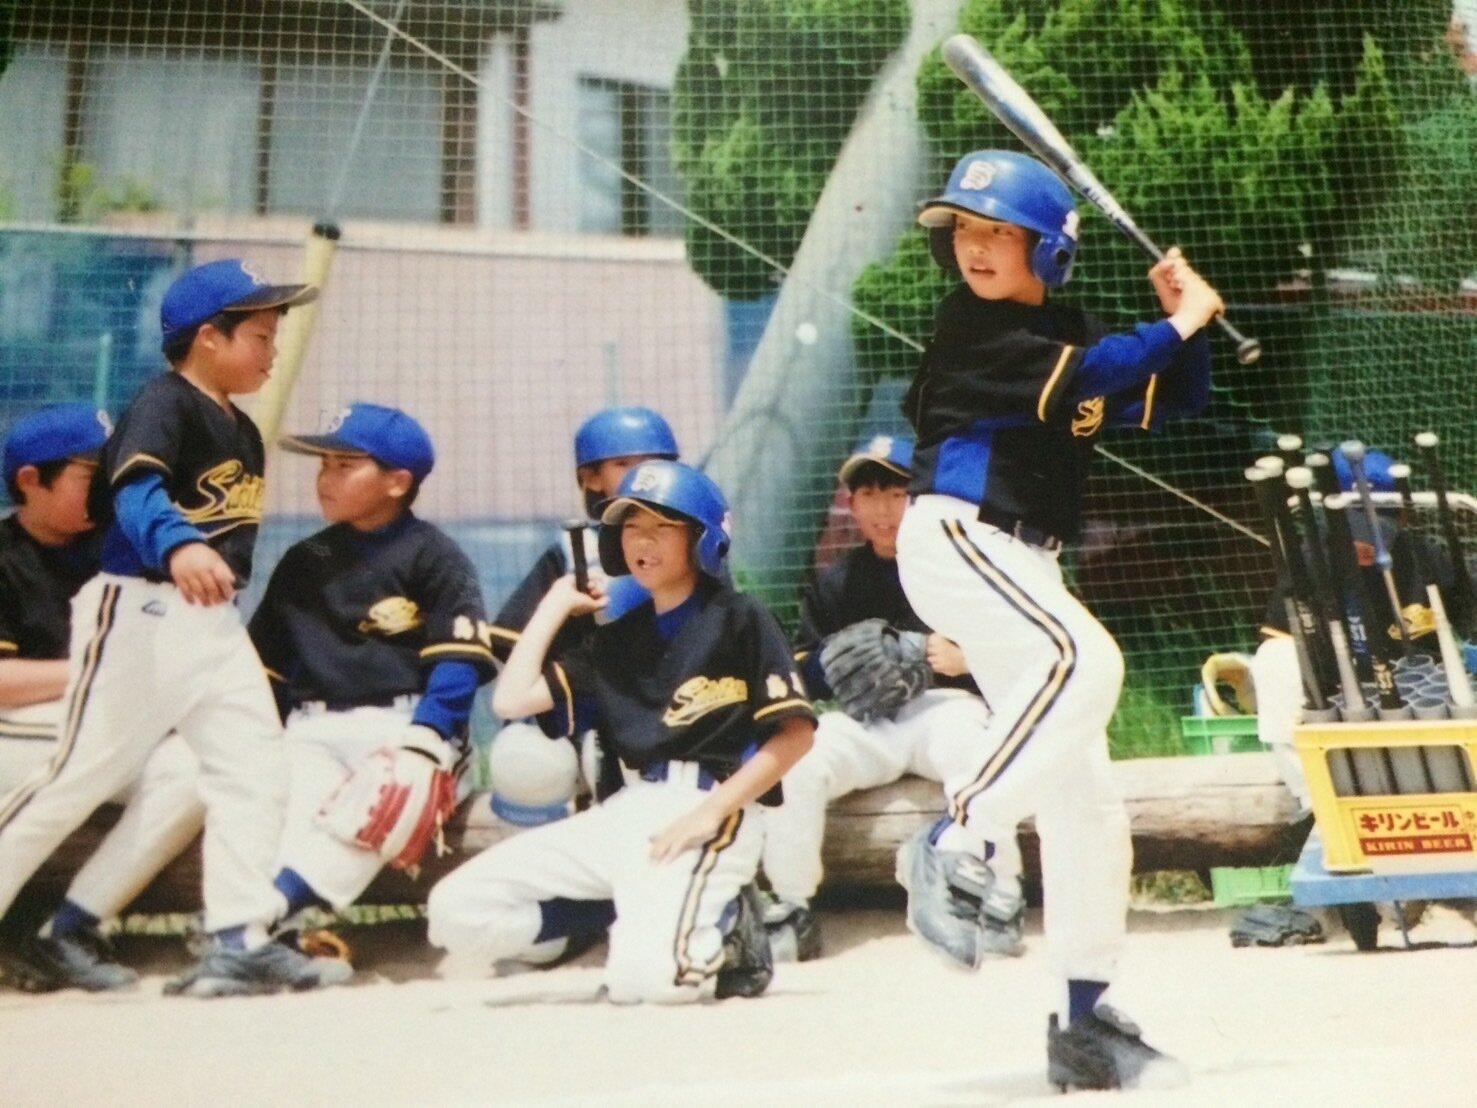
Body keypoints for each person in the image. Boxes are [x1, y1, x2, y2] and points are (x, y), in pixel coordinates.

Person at [895, 150, 1219, 1090]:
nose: (973, 247)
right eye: (962, 229)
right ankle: (957, 840)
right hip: (959, 536)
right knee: (1088, 663)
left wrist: (1186, 322)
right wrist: (1176, 323)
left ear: (1050, 249)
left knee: (1087, 802)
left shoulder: (1067, 334)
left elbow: (1171, 395)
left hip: (1021, 560)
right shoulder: (974, 329)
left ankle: (1082, 1019)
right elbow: (1091, 375)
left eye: (997, 231)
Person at [0, 258, 345, 998]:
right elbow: (133, 486)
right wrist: (179, 542)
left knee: (253, 767)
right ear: (207, 338)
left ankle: (240, 940)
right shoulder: (163, 403)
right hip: (142, 610)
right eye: (259, 334)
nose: (272, 350)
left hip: (210, 626)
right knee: (72, 778)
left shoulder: (240, 430)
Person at [427, 460, 816, 1003]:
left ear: (701, 539)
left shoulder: (740, 618)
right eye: (631, 527)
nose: (642, 541)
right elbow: (511, 700)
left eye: (661, 527)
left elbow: (795, 735)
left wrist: (708, 814)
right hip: (628, 811)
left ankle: (727, 931)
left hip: (709, 809)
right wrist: (554, 606)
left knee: (653, 985)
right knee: (453, 911)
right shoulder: (617, 640)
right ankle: (632, 914)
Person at [246, 404, 496, 968]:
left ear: (397, 482)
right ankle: (275, 941)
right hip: (311, 728)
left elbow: (458, 662)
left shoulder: (435, 555)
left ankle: (256, 928)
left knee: (394, 795)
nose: (324, 478)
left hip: (403, 724)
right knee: (283, 812)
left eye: (344, 465)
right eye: (323, 464)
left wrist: (429, 734)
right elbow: (265, 673)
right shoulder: (302, 561)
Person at [759, 434, 992, 962]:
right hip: (868, 721)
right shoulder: (837, 582)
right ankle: (793, 907)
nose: (884, 510)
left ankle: (989, 895)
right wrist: (833, 662)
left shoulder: (961, 569)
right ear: (853, 504)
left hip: (947, 710)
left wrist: (967, 659)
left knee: (972, 756)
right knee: (798, 764)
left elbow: (1022, 649)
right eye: (869, 495)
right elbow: (800, 673)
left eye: (897, 493)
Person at [0, 404, 202, 991]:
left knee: (190, 772)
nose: (115, 487)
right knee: (89, 746)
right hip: (16, 728)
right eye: (95, 474)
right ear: (30, 481)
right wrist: (99, 671)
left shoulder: (126, 547)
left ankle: (66, 928)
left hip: (96, 717)